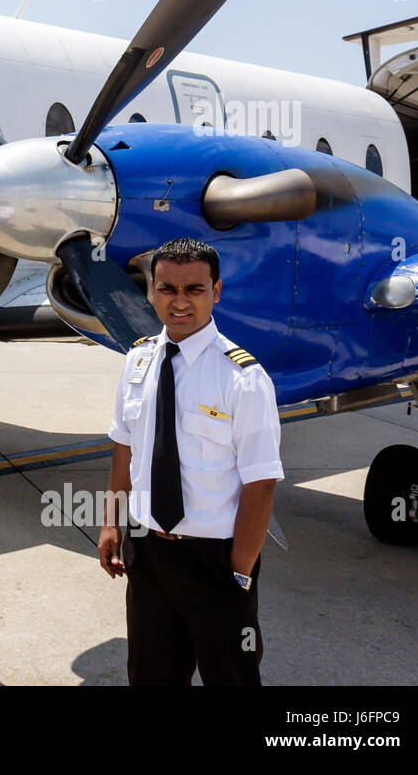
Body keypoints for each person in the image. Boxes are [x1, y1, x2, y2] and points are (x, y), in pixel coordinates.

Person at [97, 237, 283, 685]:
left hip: (215, 560)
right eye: (167, 289)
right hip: (147, 553)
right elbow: (125, 448)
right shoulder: (137, 360)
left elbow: (261, 483)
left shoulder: (243, 378)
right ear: (152, 292)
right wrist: (111, 524)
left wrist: (238, 573)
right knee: (151, 675)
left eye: (194, 290)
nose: (179, 302)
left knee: (232, 677)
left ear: (215, 292)